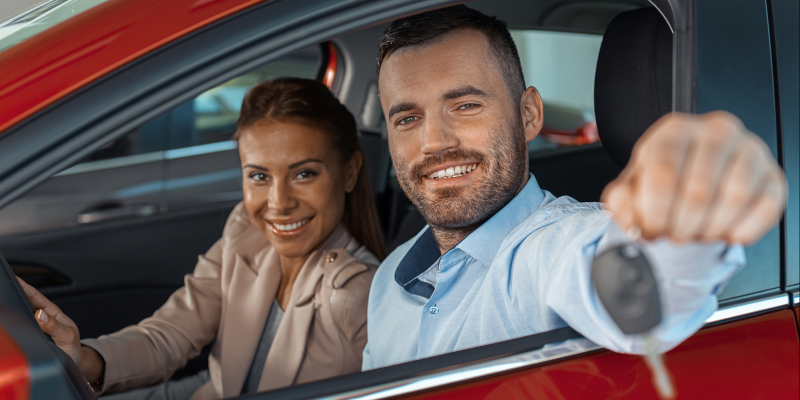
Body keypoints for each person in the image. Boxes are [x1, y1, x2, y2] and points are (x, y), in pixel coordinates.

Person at [362, 5, 787, 369]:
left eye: (466, 105)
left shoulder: (548, 249)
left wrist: (688, 224)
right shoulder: (389, 279)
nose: (434, 141)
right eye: (407, 119)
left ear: (528, 115)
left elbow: (635, 291)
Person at [18, 77, 386, 399]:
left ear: (350, 172)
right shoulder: (246, 231)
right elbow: (169, 337)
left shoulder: (362, 296)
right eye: (259, 177)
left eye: (304, 174)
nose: (279, 203)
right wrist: (82, 360)